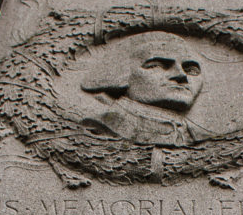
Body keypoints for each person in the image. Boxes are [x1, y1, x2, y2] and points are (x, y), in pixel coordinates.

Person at [79, 31, 212, 147]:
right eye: (157, 65)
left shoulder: (202, 137)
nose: (182, 75)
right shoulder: (98, 127)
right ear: (120, 75)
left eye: (191, 70)